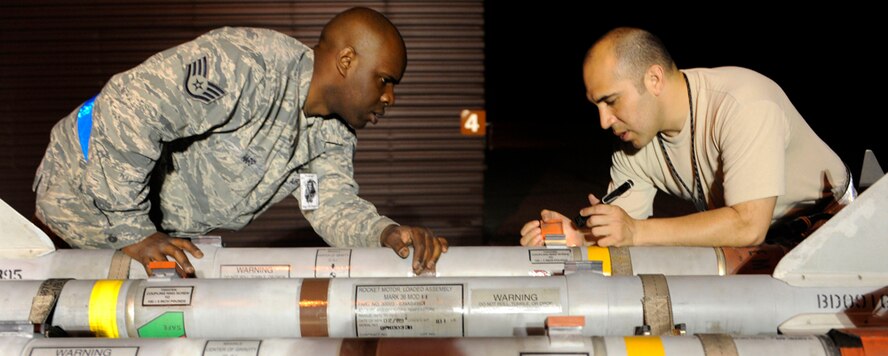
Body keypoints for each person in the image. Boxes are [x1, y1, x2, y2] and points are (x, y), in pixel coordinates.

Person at [33, 7, 448, 274]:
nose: (390, 98)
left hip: (145, 232)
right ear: (346, 61)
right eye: (385, 81)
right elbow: (128, 106)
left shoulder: (332, 136)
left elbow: (328, 205)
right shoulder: (249, 65)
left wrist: (385, 233)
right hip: (81, 194)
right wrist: (132, 229)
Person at [520, 27, 854, 248]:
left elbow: (748, 225)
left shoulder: (743, 103)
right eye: (597, 106)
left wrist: (636, 232)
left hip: (841, 230)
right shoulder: (632, 142)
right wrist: (578, 238)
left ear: (653, 79)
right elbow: (621, 233)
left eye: (611, 101)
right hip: (765, 246)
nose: (605, 121)